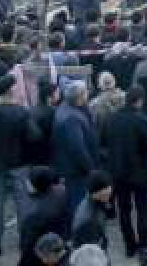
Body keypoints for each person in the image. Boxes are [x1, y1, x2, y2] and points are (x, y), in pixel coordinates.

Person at [0, 73, 41, 256]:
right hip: (19, 165)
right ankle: (26, 241)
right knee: (24, 204)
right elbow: (35, 136)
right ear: (11, 91)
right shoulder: (20, 112)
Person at [102, 85, 147, 257]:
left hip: (118, 172)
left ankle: (129, 246)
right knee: (142, 209)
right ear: (139, 101)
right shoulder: (140, 120)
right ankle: (144, 245)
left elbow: (102, 143)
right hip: (139, 172)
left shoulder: (110, 119)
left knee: (124, 210)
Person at [52, 81, 99, 219]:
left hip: (72, 168)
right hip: (76, 170)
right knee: (79, 205)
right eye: (85, 92)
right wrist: (90, 169)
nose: (88, 95)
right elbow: (77, 148)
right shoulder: (71, 118)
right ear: (79, 96)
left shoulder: (67, 108)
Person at [19, 167, 70, 266]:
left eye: (29, 181)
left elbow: (27, 246)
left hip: (41, 255)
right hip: (59, 244)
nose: (26, 183)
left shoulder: (33, 214)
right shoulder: (61, 192)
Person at [71, 169, 114, 250]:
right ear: (96, 191)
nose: (110, 191)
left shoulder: (96, 200)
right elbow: (91, 253)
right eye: (107, 189)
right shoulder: (89, 221)